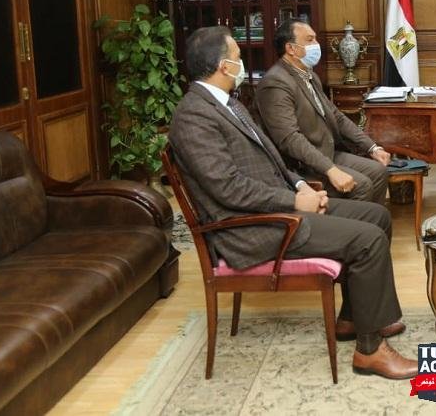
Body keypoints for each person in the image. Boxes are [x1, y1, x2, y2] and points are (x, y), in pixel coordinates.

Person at [168, 26, 417, 380]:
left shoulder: (229, 102)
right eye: (238, 57)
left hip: (277, 208)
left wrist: (301, 186)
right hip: (254, 227)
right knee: (369, 240)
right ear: (223, 66)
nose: (242, 64)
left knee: (377, 216)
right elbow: (227, 188)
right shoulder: (194, 116)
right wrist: (295, 201)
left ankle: (353, 318)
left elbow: (272, 158)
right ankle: (370, 351)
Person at [254, 20, 390, 204]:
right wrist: (330, 169)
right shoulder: (275, 83)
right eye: (309, 40)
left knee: (379, 171)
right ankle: (351, 223)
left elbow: (337, 117)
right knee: (362, 185)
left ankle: (374, 221)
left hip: (328, 151)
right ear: (291, 48)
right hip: (303, 164)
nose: (316, 45)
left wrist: (372, 148)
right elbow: (290, 139)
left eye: (315, 39)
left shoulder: (309, 76)